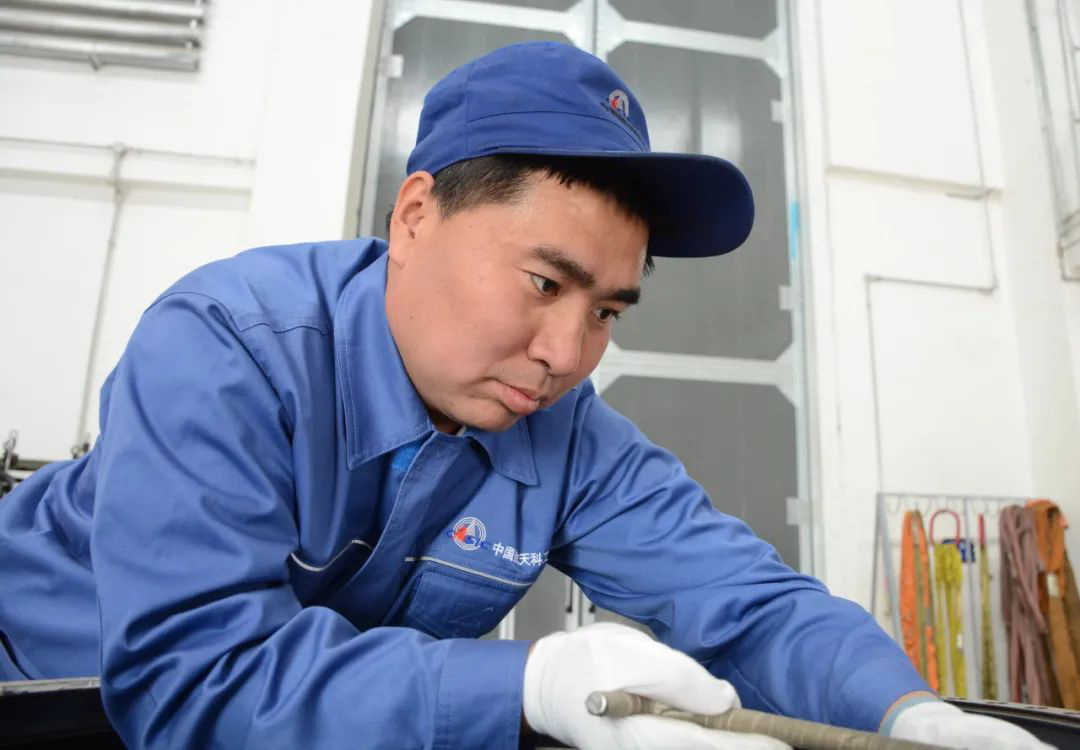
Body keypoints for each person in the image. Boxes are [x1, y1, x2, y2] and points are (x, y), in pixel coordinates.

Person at [0, 41, 1048, 750]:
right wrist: (530, 684)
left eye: (608, 311)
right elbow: (193, 678)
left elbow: (748, 607)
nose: (567, 354)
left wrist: (905, 712)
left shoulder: (567, 438)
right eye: (545, 284)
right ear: (416, 215)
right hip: (48, 697)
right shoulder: (228, 345)